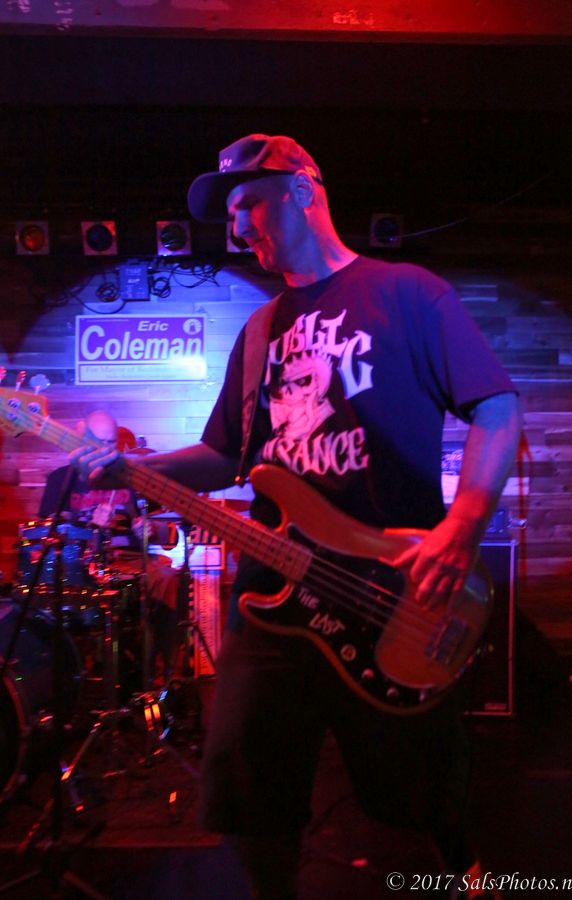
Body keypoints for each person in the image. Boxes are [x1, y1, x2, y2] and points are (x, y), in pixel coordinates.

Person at [73, 134, 521, 899]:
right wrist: (134, 472)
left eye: (248, 203)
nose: (236, 226)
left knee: (419, 787)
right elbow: (226, 456)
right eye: (229, 214)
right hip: (274, 592)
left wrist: (460, 531)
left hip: (389, 589)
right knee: (248, 786)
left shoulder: (407, 293)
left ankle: (465, 876)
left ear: (304, 190)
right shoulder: (258, 332)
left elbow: (497, 407)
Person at [40, 410, 182, 685]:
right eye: (99, 442)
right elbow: (48, 530)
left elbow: (165, 527)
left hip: (127, 557)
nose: (105, 450)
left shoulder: (130, 478)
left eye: (111, 443)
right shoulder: (61, 479)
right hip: (80, 560)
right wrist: (83, 525)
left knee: (167, 579)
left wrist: (149, 529)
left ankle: (164, 676)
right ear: (82, 437)